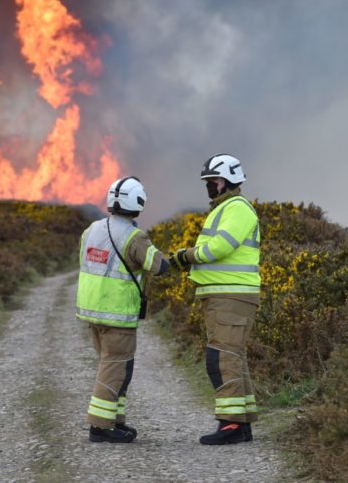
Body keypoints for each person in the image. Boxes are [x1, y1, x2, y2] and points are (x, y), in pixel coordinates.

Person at [169, 153, 261, 445]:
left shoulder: (237, 208)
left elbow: (220, 246)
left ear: (226, 182)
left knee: (221, 359)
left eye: (213, 181)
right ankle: (241, 424)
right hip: (226, 296)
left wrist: (188, 255)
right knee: (232, 357)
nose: (210, 186)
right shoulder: (228, 208)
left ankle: (231, 425)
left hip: (231, 295)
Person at [76, 176, 170, 443]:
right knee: (115, 367)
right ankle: (100, 427)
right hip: (117, 315)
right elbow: (158, 266)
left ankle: (116, 421)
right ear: (137, 203)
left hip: (92, 312)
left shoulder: (91, 230)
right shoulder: (134, 236)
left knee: (116, 366)